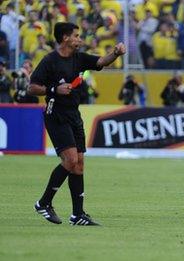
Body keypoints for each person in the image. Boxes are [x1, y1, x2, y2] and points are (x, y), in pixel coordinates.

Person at [28, 22, 126, 226]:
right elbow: (32, 87)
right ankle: (44, 202)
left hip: (74, 114)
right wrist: (54, 90)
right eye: (76, 36)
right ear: (65, 38)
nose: (80, 39)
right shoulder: (49, 61)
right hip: (56, 114)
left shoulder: (79, 58)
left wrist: (115, 53)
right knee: (71, 159)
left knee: (79, 164)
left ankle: (78, 214)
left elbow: (101, 61)